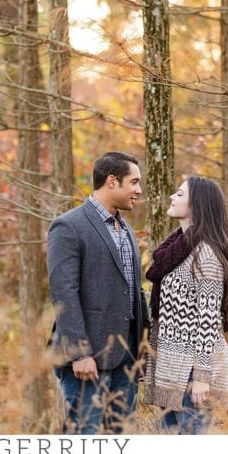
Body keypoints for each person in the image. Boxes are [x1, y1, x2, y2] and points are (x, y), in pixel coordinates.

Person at [47, 151, 149, 434]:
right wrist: (80, 354)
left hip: (125, 360)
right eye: (134, 182)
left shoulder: (126, 229)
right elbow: (63, 293)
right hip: (87, 359)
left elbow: (134, 290)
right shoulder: (69, 226)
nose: (139, 190)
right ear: (112, 182)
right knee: (84, 441)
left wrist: (141, 351)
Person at [143, 176, 228, 434]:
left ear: (198, 205)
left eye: (180, 194)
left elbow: (208, 321)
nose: (172, 197)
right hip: (171, 368)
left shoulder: (205, 255)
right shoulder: (177, 250)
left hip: (194, 373)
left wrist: (202, 378)